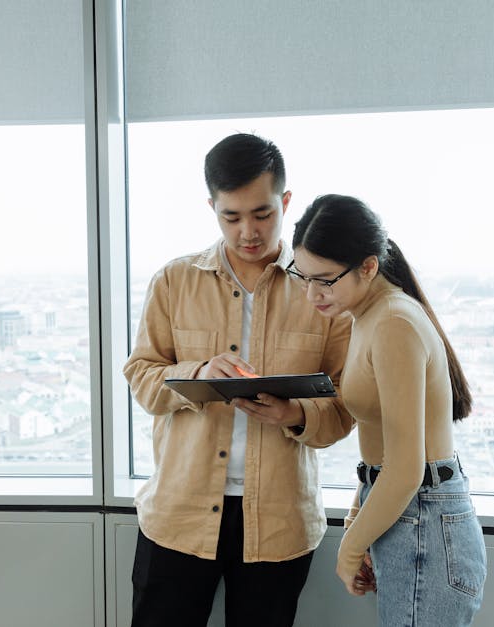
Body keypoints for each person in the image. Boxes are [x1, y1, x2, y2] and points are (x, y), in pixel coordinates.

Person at [123, 134, 354, 627]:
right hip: (179, 515)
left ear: (286, 202)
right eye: (231, 217)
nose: (248, 231)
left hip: (278, 523)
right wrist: (198, 373)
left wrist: (294, 413)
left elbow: (344, 407)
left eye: (263, 214)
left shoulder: (324, 291)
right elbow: (142, 378)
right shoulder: (174, 281)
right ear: (212, 207)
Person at [290, 194, 487, 625]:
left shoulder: (394, 322)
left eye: (325, 280)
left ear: (368, 266)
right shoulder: (367, 315)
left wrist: (351, 546)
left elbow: (405, 469)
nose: (312, 294)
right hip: (411, 516)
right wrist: (362, 513)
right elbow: (381, 450)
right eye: (302, 277)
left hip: (423, 519)